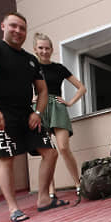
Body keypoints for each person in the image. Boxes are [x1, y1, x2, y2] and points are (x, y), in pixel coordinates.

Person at [0, 12, 66, 222]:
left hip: (27, 114)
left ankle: (43, 198)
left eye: (22, 28)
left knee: (50, 152)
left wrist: (37, 113)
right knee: (7, 159)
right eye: (13, 26)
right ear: (3, 26)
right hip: (2, 113)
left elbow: (42, 91)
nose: (18, 31)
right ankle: (13, 208)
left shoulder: (30, 60)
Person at [32, 33, 87, 205]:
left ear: (52, 49)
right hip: (39, 109)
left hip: (57, 106)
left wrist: (69, 102)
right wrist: (30, 99)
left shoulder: (59, 68)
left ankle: (78, 184)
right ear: (35, 49)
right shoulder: (32, 67)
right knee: (48, 152)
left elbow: (81, 88)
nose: (44, 51)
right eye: (41, 48)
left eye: (47, 48)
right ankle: (51, 192)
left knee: (63, 148)